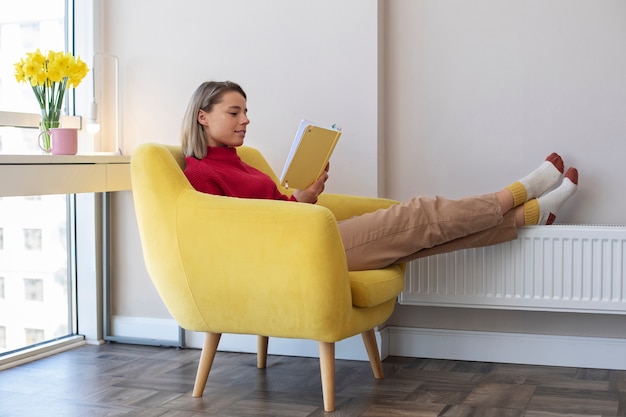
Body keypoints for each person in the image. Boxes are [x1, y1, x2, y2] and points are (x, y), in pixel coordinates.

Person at [182, 81, 579, 271]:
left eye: (245, 111)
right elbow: (235, 233)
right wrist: (297, 207)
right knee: (421, 214)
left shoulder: (242, 161)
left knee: (425, 237)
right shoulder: (200, 172)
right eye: (234, 112)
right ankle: (520, 191)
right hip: (296, 254)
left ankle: (530, 215)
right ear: (203, 116)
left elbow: (274, 210)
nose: (246, 119)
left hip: (306, 236)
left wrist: (306, 195)